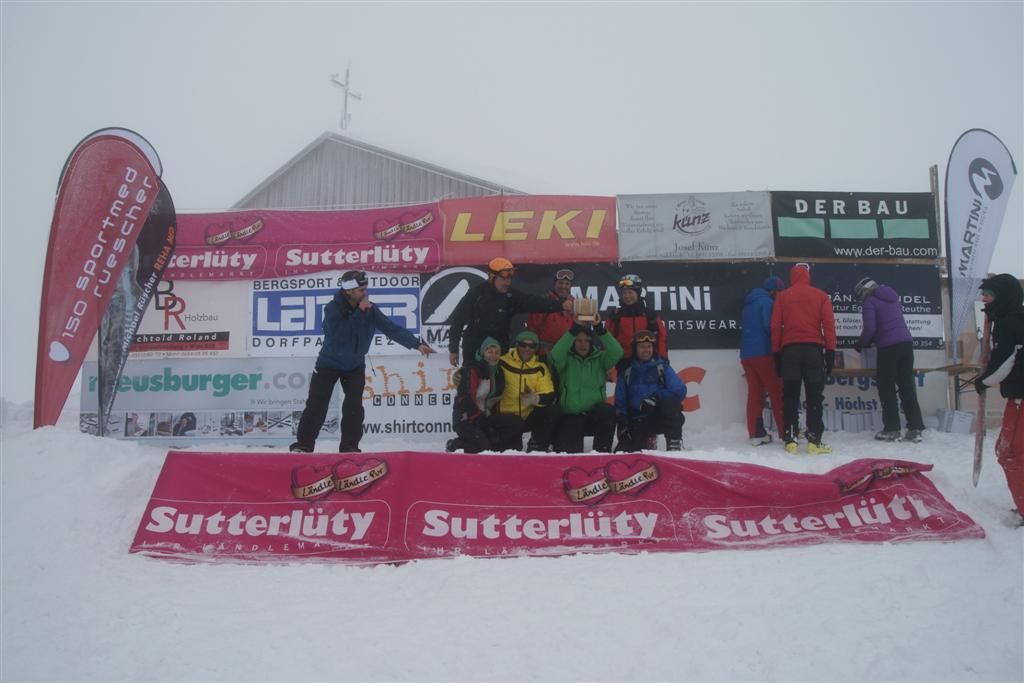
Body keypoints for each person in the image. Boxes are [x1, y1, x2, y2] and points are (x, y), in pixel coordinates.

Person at [290, 270, 434, 453]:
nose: (365, 293)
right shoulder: (333, 308)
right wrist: (359, 312)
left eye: (365, 289)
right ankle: (304, 445)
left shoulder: (369, 309)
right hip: (329, 364)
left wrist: (416, 344)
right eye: (360, 290)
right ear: (349, 291)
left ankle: (349, 447)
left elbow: (390, 328)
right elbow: (340, 335)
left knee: (354, 407)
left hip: (354, 365)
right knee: (317, 404)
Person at [448, 257, 571, 368]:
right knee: (471, 383)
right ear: (492, 277)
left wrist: (561, 305)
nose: (507, 283)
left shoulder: (511, 296)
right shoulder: (476, 293)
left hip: (500, 352)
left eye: (509, 279)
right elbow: (458, 320)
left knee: (500, 383)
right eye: (503, 279)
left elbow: (534, 302)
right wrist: (453, 349)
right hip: (474, 350)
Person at [972, 274, 1024, 526]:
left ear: (1003, 297)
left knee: (1011, 453)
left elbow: (1005, 361)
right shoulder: (1016, 318)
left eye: (989, 295)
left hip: (1021, 400)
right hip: (1019, 397)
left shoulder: (1009, 323)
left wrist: (983, 381)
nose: (984, 299)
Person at [771, 263, 837, 455]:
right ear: (808, 277)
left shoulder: (783, 297)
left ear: (792, 277)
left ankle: (790, 439)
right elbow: (829, 325)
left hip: (790, 351)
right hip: (813, 352)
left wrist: (776, 354)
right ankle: (814, 440)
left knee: (790, 396)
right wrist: (830, 352)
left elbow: (775, 327)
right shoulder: (820, 296)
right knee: (814, 396)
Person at [853, 277, 925, 442]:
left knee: (887, 388)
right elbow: (888, 323)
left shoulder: (870, 302)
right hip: (906, 344)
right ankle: (915, 428)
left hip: (888, 347)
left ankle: (892, 429)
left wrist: (861, 343)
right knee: (907, 387)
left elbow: (870, 328)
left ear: (864, 291)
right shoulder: (893, 298)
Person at [549, 312, 624, 452]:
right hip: (570, 416)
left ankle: (601, 453)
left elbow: (617, 352)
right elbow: (555, 355)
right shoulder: (565, 359)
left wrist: (599, 328)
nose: (583, 344)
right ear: (573, 341)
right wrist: (574, 329)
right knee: (570, 457)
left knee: (607, 411)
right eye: (579, 340)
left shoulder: (600, 359)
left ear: (591, 343)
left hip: (593, 417)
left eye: (587, 341)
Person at [446, 337, 524, 453]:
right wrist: (478, 418)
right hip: (465, 418)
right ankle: (454, 445)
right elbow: (465, 398)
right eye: (489, 352)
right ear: (483, 353)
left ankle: (509, 451)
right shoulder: (473, 369)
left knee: (515, 422)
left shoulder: (498, 372)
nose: (493, 355)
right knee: (484, 448)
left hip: (484, 417)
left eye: (497, 352)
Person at [615, 329, 686, 451]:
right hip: (638, 419)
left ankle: (674, 445)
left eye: (649, 346)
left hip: (658, 417)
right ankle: (648, 441)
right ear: (635, 349)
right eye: (642, 347)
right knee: (625, 454)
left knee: (671, 402)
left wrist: (656, 397)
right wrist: (623, 425)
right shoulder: (627, 372)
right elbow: (620, 401)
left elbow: (679, 390)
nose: (646, 350)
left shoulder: (662, 368)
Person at [496, 330, 560, 452]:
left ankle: (537, 445)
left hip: (528, 416)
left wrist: (535, 399)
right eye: (523, 344)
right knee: (511, 453)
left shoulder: (540, 367)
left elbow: (549, 394)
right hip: (506, 417)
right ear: (517, 345)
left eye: (532, 346)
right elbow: (484, 366)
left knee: (551, 411)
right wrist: (461, 374)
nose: (527, 349)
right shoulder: (502, 362)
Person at [740, 276, 786, 446]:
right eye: (779, 293)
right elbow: (770, 327)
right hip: (764, 353)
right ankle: (786, 432)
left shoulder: (749, 304)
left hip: (747, 355)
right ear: (773, 291)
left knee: (755, 394)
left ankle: (756, 433)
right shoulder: (767, 303)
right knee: (777, 392)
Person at [607, 273, 668, 371]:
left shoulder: (649, 314)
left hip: (648, 362)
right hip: (623, 363)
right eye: (624, 293)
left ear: (638, 293)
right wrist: (606, 364)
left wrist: (663, 359)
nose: (627, 296)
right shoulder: (615, 315)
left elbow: (661, 337)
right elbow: (607, 340)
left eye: (630, 292)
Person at [528, 268, 576, 357]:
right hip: (545, 354)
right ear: (554, 284)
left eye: (567, 284)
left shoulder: (575, 303)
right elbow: (532, 331)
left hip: (568, 355)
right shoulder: (543, 303)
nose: (563, 286)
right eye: (560, 283)